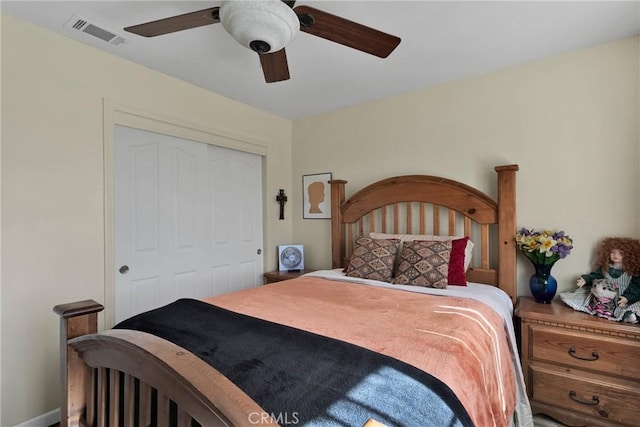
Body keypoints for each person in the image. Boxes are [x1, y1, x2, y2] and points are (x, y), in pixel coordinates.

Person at [560, 237, 640, 323]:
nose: (615, 256)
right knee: (584, 299)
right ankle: (600, 309)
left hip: (620, 298)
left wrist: (627, 297)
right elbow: (596, 276)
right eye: (613, 252)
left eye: (621, 253)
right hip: (603, 296)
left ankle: (628, 316)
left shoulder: (631, 272)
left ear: (629, 255)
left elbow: (635, 287)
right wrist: (585, 280)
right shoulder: (605, 268)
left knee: (624, 308)